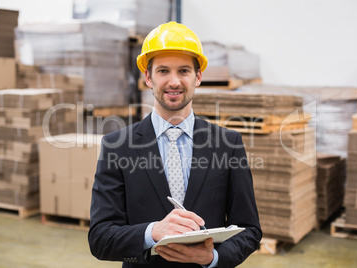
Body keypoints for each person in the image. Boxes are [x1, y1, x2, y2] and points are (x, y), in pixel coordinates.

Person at [88, 21, 262, 268]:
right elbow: (100, 238)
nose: (174, 81)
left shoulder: (227, 145)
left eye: (183, 71)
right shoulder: (117, 147)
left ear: (198, 77)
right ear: (148, 77)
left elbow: (250, 230)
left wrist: (213, 258)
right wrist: (152, 232)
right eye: (162, 71)